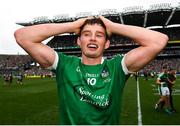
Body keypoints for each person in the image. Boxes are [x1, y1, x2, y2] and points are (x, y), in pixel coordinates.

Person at [14, 16, 168, 124]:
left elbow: (159, 41)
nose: (93, 38)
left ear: (106, 44)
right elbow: (22, 36)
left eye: (99, 35)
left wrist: (113, 26)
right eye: (87, 34)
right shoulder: (64, 64)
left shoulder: (117, 66)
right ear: (79, 41)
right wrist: (71, 26)